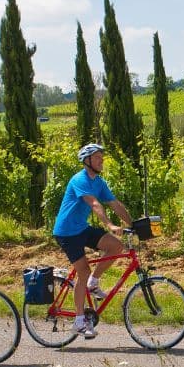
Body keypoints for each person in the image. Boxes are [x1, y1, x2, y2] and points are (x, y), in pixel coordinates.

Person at [52, 143, 134, 339]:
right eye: (98, 157)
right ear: (87, 161)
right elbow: (94, 204)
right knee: (83, 270)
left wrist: (132, 223)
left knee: (116, 245)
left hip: (81, 228)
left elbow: (114, 203)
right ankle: (79, 321)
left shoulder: (99, 182)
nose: (102, 160)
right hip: (66, 232)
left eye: (102, 157)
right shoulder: (79, 179)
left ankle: (93, 283)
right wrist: (109, 225)